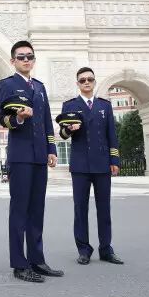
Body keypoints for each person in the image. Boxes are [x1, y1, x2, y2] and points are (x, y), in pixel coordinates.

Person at [0, 40, 63, 283]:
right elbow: (4, 119)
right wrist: (19, 119)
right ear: (13, 60)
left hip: (39, 156)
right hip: (20, 156)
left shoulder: (40, 87)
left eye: (29, 56)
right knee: (20, 211)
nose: (26, 60)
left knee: (37, 210)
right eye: (21, 56)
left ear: (33, 60)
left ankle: (37, 260)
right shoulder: (7, 84)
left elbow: (46, 121)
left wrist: (51, 148)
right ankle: (19, 264)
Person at [59, 67, 124, 265]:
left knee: (104, 209)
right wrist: (70, 130)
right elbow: (62, 134)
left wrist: (114, 160)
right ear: (77, 83)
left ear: (94, 82)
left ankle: (106, 249)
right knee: (80, 210)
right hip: (80, 166)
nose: (86, 82)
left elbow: (111, 135)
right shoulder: (69, 105)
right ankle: (84, 250)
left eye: (90, 79)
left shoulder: (105, 105)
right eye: (82, 80)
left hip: (102, 164)